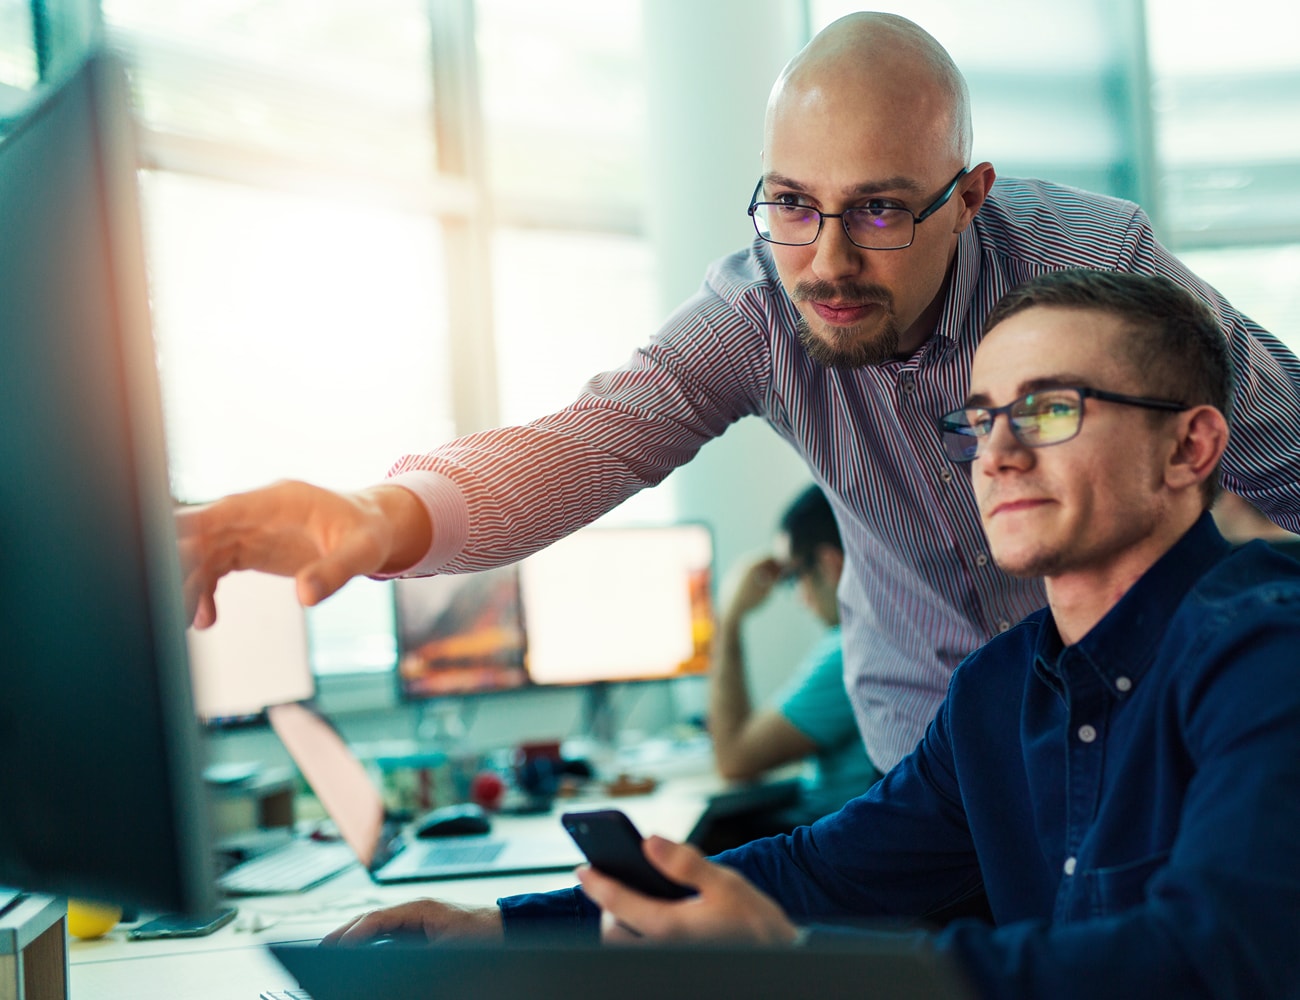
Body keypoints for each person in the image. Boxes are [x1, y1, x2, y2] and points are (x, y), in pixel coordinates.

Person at [178, 12, 1300, 777]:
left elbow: (1286, 454)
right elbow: (592, 440)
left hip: (1146, 707)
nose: (825, 261)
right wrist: (381, 515)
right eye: (792, 203)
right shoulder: (761, 309)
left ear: (970, 197)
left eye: (878, 210)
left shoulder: (1099, 266)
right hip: (932, 730)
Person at [323, 269, 1300, 999]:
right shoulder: (999, 690)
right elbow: (823, 868)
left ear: (1190, 445)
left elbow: (1214, 957)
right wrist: (502, 927)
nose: (996, 453)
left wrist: (791, 966)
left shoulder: (1263, 649)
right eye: (979, 416)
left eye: (1048, 409)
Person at [709, 483, 876, 792]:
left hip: (825, 833)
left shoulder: (850, 649)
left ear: (829, 564)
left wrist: (728, 618)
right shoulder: (888, 632)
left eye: (793, 576)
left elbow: (733, 761)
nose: (800, 598)